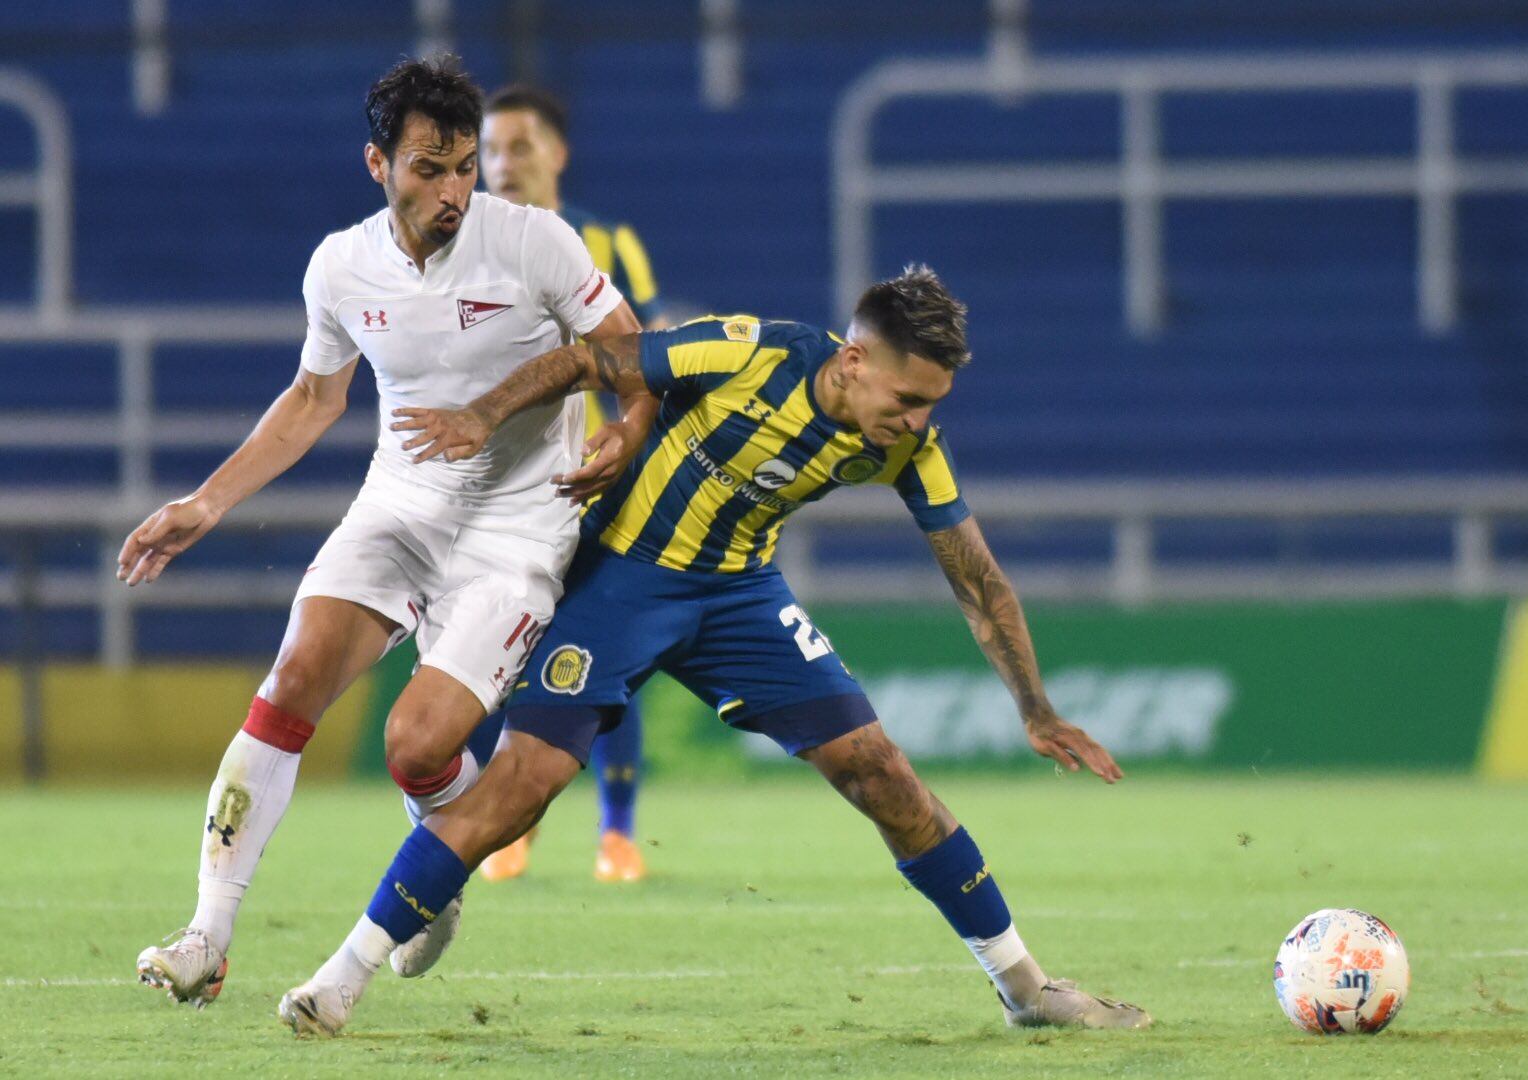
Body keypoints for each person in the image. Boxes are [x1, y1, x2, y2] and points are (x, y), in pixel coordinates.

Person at [277, 265, 1151, 1036]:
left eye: (932, 406)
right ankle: (341, 977)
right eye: (908, 399)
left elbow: (979, 580)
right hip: (620, 580)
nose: (919, 421)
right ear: (854, 361)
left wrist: (1035, 708)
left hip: (738, 596)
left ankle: (1025, 988)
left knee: (882, 772)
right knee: (523, 788)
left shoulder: (907, 447)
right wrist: (481, 413)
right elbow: (594, 358)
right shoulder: (747, 353)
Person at [126, 55, 650, 1008]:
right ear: (378, 163)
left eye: (462, 168)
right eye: (428, 168)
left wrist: (625, 427)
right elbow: (313, 398)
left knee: (416, 748)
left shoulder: (535, 241)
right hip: (399, 507)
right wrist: (208, 501)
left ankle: (430, 871)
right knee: (290, 681)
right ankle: (207, 934)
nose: (453, 190)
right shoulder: (340, 264)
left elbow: (629, 351)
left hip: (518, 532)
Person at [477, 83, 675, 885]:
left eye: (518, 147)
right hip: (506, 482)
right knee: (499, 652)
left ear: (556, 153)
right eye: (490, 150)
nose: (502, 164)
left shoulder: (609, 241)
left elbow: (651, 358)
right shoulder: (469, 248)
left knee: (603, 658)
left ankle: (617, 831)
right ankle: (509, 821)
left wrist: (629, 439)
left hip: (597, 479)